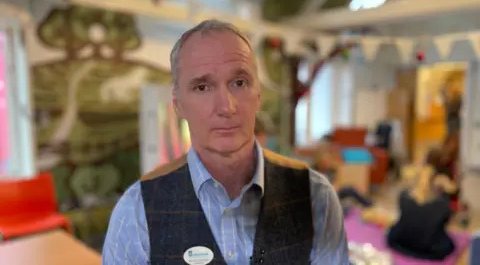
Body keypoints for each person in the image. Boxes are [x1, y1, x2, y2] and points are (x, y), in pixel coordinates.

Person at [102, 19, 349, 264]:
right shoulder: (136, 214)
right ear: (178, 106)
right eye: (202, 87)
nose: (226, 107)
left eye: (239, 83)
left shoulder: (316, 199)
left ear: (258, 95)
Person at [387, 164, 456, 260]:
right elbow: (444, 223)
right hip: (429, 249)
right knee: (449, 244)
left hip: (401, 243)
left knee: (394, 229)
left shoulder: (404, 196)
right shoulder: (443, 203)